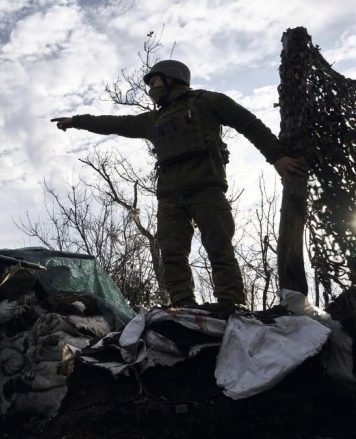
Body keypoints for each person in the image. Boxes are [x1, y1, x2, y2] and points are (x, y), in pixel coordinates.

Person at [51, 60, 306, 309]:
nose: (151, 87)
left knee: (219, 249)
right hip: (170, 198)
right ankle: (182, 306)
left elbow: (249, 124)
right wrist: (77, 121)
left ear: (171, 79)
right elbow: (113, 124)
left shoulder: (207, 101)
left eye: (154, 80)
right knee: (172, 253)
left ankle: (232, 304)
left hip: (207, 190)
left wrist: (277, 157)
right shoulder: (153, 120)